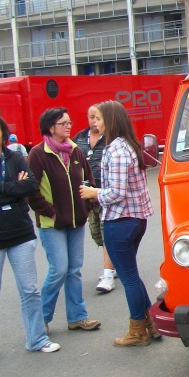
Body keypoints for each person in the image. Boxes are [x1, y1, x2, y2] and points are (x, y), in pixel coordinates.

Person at [0, 113, 59, 365]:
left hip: (20, 234)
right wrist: (12, 189)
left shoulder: (16, 157)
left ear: (3, 134)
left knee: (29, 290)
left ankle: (37, 339)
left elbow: (30, 186)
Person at [79, 100, 157, 347]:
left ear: (111, 121)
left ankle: (137, 330)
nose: (95, 123)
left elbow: (116, 192)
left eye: (99, 119)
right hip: (133, 219)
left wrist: (93, 193)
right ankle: (150, 324)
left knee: (129, 277)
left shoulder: (116, 149)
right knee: (131, 275)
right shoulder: (127, 145)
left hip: (121, 220)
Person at [28, 108, 100, 334]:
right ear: (51, 127)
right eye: (64, 123)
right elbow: (31, 191)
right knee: (59, 269)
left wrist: (85, 207)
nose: (69, 126)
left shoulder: (76, 151)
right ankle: (41, 319)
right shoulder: (39, 154)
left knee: (74, 270)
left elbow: (89, 180)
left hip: (76, 221)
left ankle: (78, 317)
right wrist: (51, 212)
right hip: (52, 224)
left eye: (70, 122)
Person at [73, 105, 116, 293]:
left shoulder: (111, 139)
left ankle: (108, 273)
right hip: (87, 194)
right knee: (97, 234)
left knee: (108, 234)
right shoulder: (80, 138)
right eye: (91, 117)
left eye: (97, 117)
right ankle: (116, 261)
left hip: (105, 192)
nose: (93, 121)